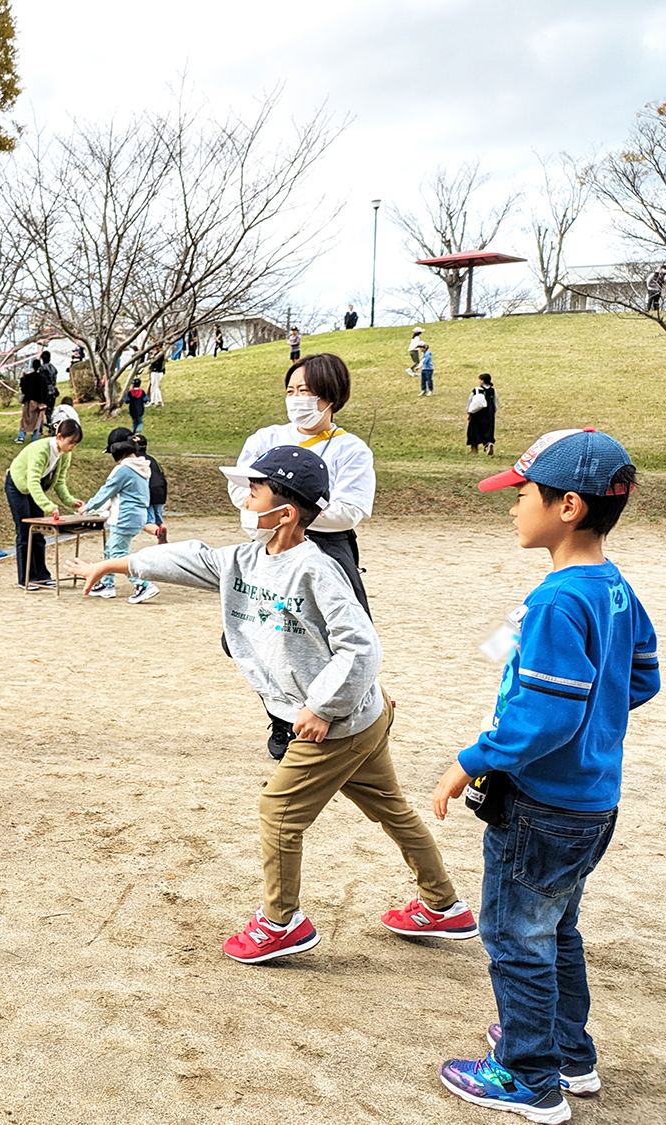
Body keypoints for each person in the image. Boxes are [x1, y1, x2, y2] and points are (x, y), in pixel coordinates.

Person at [67, 446, 475, 964]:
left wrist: (324, 706)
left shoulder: (317, 570)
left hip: (338, 724)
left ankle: (282, 924)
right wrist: (115, 562)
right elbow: (189, 557)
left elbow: (361, 645)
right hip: (365, 715)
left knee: (279, 811)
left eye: (254, 490)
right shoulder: (244, 558)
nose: (243, 496)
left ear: (285, 513)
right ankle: (442, 905)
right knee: (391, 808)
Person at [431, 429, 658, 1124]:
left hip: (541, 805)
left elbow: (546, 716)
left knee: (515, 936)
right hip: (593, 802)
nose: (511, 506)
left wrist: (472, 758)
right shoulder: (612, 587)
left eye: (521, 494)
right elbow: (640, 676)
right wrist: (598, 717)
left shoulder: (561, 599)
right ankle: (568, 1051)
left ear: (566, 506)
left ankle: (529, 1076)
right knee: (556, 927)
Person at [229, 353, 375, 757]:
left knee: (332, 638)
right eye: (291, 391)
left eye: (306, 391)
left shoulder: (351, 449)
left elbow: (351, 510)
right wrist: (270, 518)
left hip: (327, 548)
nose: (297, 399)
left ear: (330, 396)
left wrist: (297, 512)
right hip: (268, 545)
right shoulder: (264, 438)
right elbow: (241, 491)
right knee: (251, 634)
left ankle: (339, 715)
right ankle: (281, 718)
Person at [80, 429, 160, 603]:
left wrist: (88, 506)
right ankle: (107, 584)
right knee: (111, 548)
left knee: (117, 554)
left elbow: (107, 490)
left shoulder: (123, 470)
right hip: (138, 515)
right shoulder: (142, 467)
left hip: (124, 517)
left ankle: (143, 584)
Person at [5, 418, 85, 589]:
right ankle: (26, 578)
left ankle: (42, 575)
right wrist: (48, 506)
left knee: (39, 532)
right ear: (59, 436)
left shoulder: (65, 455)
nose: (73, 447)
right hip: (18, 485)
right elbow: (32, 481)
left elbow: (59, 482)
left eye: (76, 444)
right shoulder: (41, 450)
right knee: (25, 530)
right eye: (71, 442)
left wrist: (70, 501)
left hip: (35, 488)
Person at [134, 433, 168, 542]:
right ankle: (162, 531)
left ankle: (158, 533)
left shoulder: (135, 460)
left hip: (148, 492)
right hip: (161, 491)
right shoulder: (152, 459)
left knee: (148, 521)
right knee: (158, 518)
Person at [17, 358, 48, 443]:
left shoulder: (28, 377)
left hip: (29, 401)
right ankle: (34, 438)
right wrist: (45, 402)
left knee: (25, 419)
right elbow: (46, 391)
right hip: (40, 403)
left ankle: (21, 437)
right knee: (37, 420)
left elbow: (23, 388)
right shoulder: (43, 378)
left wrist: (23, 378)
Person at [466, 373, 497, 455]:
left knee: (474, 430)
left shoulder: (476, 390)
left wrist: (469, 412)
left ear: (482, 381)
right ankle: (488, 443)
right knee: (487, 430)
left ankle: (474, 448)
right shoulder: (492, 391)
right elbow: (495, 403)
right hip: (488, 414)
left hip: (477, 413)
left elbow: (470, 401)